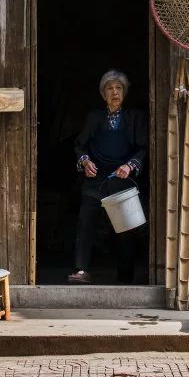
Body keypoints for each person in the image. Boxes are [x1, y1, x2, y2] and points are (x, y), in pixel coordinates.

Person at [67, 70, 147, 284]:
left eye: (118, 88)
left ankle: (125, 275)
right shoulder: (95, 117)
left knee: (123, 228)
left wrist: (130, 166)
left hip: (121, 179)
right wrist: (85, 162)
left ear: (125, 93)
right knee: (86, 222)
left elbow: (142, 148)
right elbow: (80, 145)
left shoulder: (134, 118)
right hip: (95, 178)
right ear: (103, 95)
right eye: (110, 88)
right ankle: (81, 269)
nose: (114, 92)